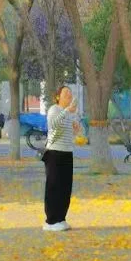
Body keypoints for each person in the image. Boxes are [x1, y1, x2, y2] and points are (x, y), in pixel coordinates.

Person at [42, 84, 82, 232]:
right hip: (54, 154)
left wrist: (77, 129)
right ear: (58, 97)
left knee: (65, 188)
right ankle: (51, 221)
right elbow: (54, 124)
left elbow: (75, 133)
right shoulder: (54, 110)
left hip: (67, 153)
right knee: (54, 187)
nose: (69, 96)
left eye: (70, 94)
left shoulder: (70, 113)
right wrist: (67, 111)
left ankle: (61, 218)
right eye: (66, 93)